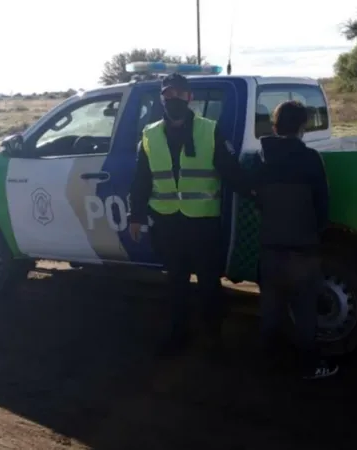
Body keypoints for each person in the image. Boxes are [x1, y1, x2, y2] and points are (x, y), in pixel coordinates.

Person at [127, 73, 253, 357]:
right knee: (176, 283)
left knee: (209, 283)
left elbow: (229, 170)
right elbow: (142, 180)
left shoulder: (210, 130)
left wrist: (254, 194)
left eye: (179, 95)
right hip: (167, 222)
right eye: (168, 95)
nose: (174, 100)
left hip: (202, 223)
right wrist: (136, 215)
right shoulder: (149, 135)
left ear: (189, 97)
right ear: (162, 98)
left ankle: (213, 338)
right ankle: (177, 334)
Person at [253, 100, 338, 380]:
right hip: (302, 248)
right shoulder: (311, 159)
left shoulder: (260, 158)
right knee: (304, 312)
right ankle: (310, 366)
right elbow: (322, 206)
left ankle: (266, 366)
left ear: (275, 127)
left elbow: (257, 200)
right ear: (303, 127)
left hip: (269, 247)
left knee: (271, 311)